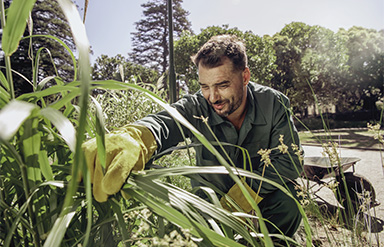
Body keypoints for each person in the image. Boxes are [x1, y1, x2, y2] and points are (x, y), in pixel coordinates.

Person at [83, 34, 303, 239]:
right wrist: (136, 138)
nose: (213, 97)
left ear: (245, 76)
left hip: (262, 200)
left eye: (222, 85)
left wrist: (239, 201)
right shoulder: (197, 106)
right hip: (210, 207)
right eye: (205, 86)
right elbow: (165, 122)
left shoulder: (274, 103)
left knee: (289, 200)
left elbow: (291, 161)